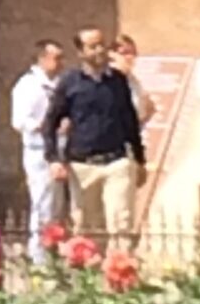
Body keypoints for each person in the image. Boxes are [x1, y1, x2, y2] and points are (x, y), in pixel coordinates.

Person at [44, 26, 145, 246]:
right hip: (82, 165)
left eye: (102, 44)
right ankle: (90, 277)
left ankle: (122, 272)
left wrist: (139, 159)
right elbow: (50, 122)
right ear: (81, 52)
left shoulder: (118, 81)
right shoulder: (70, 82)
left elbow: (129, 121)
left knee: (120, 223)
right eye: (93, 46)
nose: (99, 50)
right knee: (86, 228)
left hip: (117, 162)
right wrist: (53, 159)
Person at [10, 38, 64, 256]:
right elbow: (19, 120)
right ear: (42, 58)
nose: (60, 63)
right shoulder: (28, 85)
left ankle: (54, 250)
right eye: (56, 58)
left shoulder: (60, 84)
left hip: (60, 149)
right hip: (38, 151)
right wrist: (41, 125)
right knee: (42, 203)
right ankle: (38, 255)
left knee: (57, 206)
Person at [110, 35, 156, 130]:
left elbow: (148, 108)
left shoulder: (133, 79)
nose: (130, 57)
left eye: (133, 53)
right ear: (113, 55)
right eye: (125, 53)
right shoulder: (108, 77)